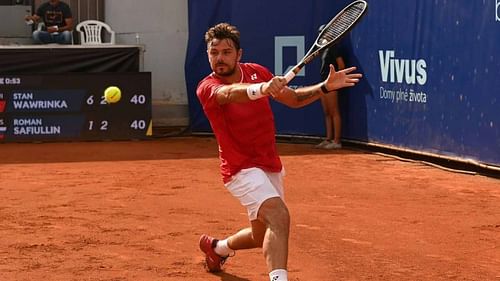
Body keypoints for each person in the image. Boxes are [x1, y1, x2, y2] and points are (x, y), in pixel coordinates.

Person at [196, 22, 361, 281]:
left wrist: (324, 88)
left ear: (239, 55)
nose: (219, 58)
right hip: (240, 169)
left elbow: (293, 99)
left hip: (268, 163)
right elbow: (229, 94)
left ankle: (218, 248)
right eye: (213, 52)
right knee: (279, 216)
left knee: (261, 234)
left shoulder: (257, 71)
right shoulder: (207, 87)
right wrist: (261, 88)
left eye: (226, 52)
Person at [315, 25, 348, 150]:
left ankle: (337, 141)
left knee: (334, 111)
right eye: (320, 33)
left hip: (332, 84)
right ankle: (328, 139)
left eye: (323, 33)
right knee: (327, 112)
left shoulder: (334, 47)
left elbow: (341, 65)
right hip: (323, 83)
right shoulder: (323, 49)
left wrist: (337, 81)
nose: (322, 36)